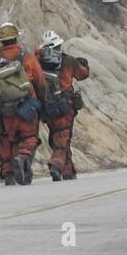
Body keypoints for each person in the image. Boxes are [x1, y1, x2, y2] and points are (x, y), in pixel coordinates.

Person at [0, 23, 47, 186]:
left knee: (4, 140)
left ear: (1, 42)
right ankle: (22, 157)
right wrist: (42, 104)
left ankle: (9, 172)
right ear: (16, 37)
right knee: (29, 138)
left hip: (4, 112)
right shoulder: (28, 58)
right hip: (27, 108)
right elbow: (40, 83)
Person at [38, 30, 91, 180]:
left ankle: (68, 172)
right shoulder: (68, 61)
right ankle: (55, 165)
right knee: (62, 138)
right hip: (65, 106)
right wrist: (84, 63)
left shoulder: (38, 63)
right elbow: (82, 74)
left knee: (60, 136)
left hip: (47, 107)